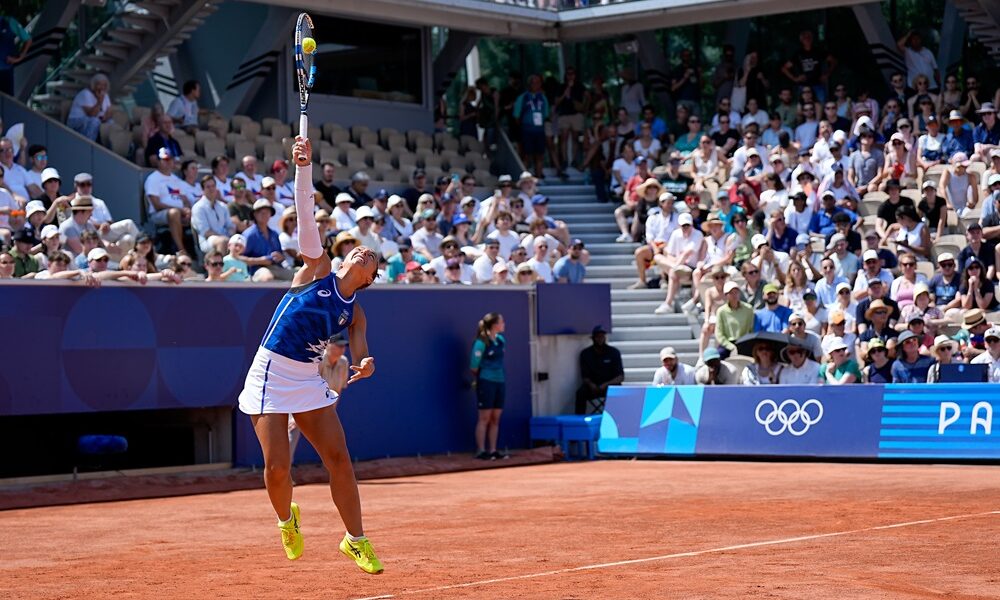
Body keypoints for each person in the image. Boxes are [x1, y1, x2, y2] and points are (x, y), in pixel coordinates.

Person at [236, 136, 382, 573]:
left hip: (306, 379)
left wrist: (365, 362)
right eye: (359, 249)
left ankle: (355, 540)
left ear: (371, 278)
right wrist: (304, 168)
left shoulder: (355, 314)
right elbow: (304, 214)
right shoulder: (316, 268)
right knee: (278, 469)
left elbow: (360, 350)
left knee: (339, 458)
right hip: (270, 372)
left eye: (372, 258)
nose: (363, 252)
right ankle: (287, 519)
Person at [470, 312, 507, 460]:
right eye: (502, 322)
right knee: (484, 417)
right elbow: (474, 367)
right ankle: (481, 450)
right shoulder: (481, 342)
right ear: (494, 325)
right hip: (486, 381)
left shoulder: (501, 340)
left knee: (495, 418)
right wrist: (482, 378)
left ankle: (493, 450)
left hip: (500, 381)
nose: (504, 324)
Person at [575, 326, 624, 415]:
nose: (600, 339)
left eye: (602, 336)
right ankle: (580, 419)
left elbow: (620, 377)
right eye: (598, 337)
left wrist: (606, 384)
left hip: (609, 385)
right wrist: (591, 385)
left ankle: (617, 418)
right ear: (593, 338)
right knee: (580, 393)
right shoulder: (585, 354)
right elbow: (584, 376)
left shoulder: (614, 352)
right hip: (592, 387)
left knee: (619, 391)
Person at [67, 74, 111, 141]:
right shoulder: (85, 94)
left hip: (93, 121)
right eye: (99, 84)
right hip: (75, 121)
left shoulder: (105, 95)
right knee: (95, 121)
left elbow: (108, 112)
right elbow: (91, 115)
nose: (102, 87)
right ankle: (88, 145)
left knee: (111, 122)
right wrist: (99, 101)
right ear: (93, 85)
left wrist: (105, 118)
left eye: (104, 85)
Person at [715, 281, 754, 357]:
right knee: (718, 356)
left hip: (744, 342)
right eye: (731, 293)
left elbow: (751, 329)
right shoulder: (721, 311)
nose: (734, 295)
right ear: (726, 295)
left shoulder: (748, 309)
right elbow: (719, 334)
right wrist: (731, 347)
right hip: (728, 343)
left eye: (736, 292)